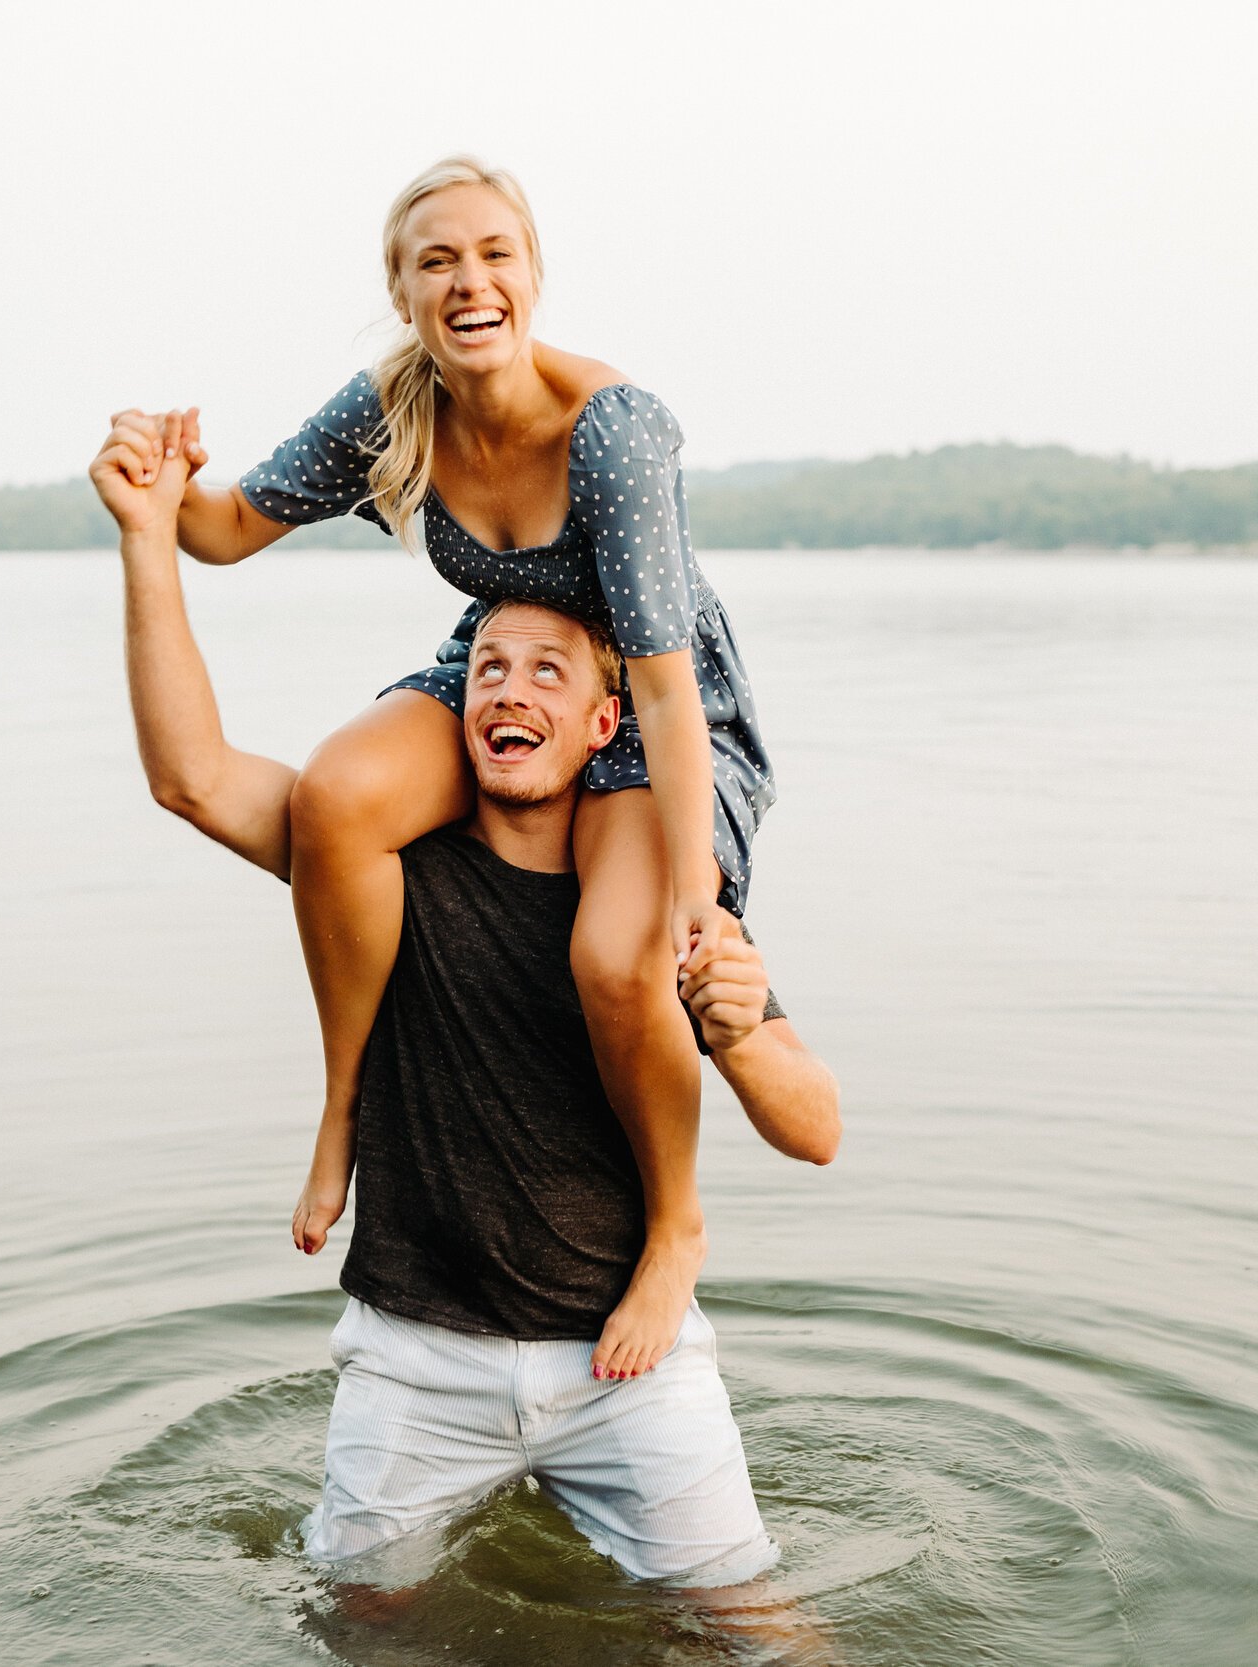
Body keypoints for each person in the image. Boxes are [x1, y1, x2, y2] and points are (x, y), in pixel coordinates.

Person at [90, 425, 840, 1595]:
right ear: (455, 708)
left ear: (604, 727)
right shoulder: (391, 876)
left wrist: (741, 1037)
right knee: (362, 1617)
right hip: (415, 1355)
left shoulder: (644, 910)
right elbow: (190, 774)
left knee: (755, 1623)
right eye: (489, 666)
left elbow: (816, 1130)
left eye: (550, 671)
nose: (511, 687)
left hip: (630, 1367)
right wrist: (149, 537)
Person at [95, 155, 772, 1379]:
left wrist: (695, 901)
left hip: (643, 693)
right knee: (337, 797)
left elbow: (665, 690)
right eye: (436, 261)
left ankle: (675, 1224)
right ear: (402, 293)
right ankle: (343, 1102)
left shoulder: (611, 432)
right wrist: (161, 481)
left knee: (615, 955)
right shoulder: (395, 404)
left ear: (532, 274)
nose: (470, 281)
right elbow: (226, 530)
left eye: (494, 254)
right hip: (503, 665)